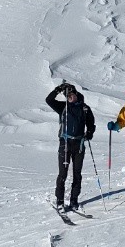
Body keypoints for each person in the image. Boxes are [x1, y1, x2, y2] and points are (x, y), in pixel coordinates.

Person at [45, 82, 95, 210]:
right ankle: (60, 201)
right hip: (65, 144)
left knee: (77, 174)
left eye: (71, 94)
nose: (70, 97)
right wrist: (57, 89)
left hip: (79, 145)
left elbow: (91, 123)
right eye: (67, 96)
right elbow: (49, 100)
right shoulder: (63, 107)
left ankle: (74, 200)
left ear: (76, 94)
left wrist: (89, 133)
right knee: (63, 174)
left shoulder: (85, 108)